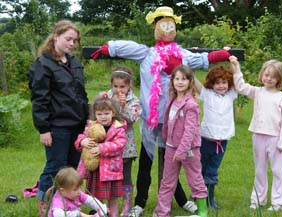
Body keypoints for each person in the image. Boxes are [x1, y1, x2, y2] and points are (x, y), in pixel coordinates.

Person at [91, 6, 230, 217]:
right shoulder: (147, 54)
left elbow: (200, 59)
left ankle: (182, 200)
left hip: (175, 120)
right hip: (150, 121)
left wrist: (222, 54)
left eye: (170, 25)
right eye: (162, 25)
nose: (166, 29)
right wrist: (108, 48)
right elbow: (128, 47)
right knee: (146, 163)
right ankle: (140, 202)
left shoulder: (181, 55)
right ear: (156, 28)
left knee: (172, 163)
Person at [28, 19, 89, 217]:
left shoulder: (74, 62)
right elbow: (39, 99)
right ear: (56, 36)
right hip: (57, 126)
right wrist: (43, 128)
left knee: (71, 169)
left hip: (77, 124)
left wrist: (88, 118)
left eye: (75, 41)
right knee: (55, 167)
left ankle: (64, 205)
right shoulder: (43, 64)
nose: (72, 44)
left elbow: (81, 93)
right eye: (68, 39)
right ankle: (44, 207)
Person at [229, 56, 282, 211]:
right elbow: (241, 87)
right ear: (262, 74)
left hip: (275, 138)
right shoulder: (257, 92)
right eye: (267, 75)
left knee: (278, 170)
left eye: (273, 77)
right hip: (258, 136)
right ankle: (258, 199)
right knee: (259, 169)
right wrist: (236, 67)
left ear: (279, 79)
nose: (269, 79)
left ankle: (280, 201)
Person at [153, 65, 208, 217]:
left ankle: (203, 211)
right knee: (167, 181)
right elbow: (168, 121)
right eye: (177, 79)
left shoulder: (191, 105)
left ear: (190, 82)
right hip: (171, 147)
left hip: (189, 150)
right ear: (172, 81)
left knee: (195, 179)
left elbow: (190, 131)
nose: (180, 82)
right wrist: (166, 139)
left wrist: (182, 150)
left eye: (184, 79)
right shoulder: (172, 100)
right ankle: (162, 212)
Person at [74, 96, 127, 217]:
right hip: (96, 171)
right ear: (95, 115)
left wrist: (101, 148)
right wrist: (83, 141)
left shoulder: (118, 128)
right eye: (100, 114)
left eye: (106, 113)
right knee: (96, 200)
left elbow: (119, 145)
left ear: (113, 112)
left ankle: (113, 215)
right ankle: (98, 214)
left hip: (111, 172)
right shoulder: (91, 126)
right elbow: (81, 137)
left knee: (112, 199)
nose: (103, 116)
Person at [194, 64, 237, 209]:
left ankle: (210, 198)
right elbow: (193, 80)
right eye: (217, 83)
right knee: (201, 168)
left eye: (224, 82)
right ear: (211, 84)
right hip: (206, 140)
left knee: (212, 170)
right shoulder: (207, 94)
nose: (221, 86)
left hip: (222, 141)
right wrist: (190, 62)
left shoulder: (231, 94)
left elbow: (237, 78)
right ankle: (197, 195)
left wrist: (234, 63)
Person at [101, 66, 142, 217]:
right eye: (115, 86)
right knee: (107, 176)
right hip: (107, 145)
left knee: (125, 176)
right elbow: (99, 116)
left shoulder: (134, 101)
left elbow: (132, 119)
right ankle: (106, 204)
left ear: (129, 85)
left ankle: (127, 204)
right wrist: (112, 104)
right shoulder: (104, 96)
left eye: (122, 87)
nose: (119, 90)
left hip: (126, 147)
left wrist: (122, 107)